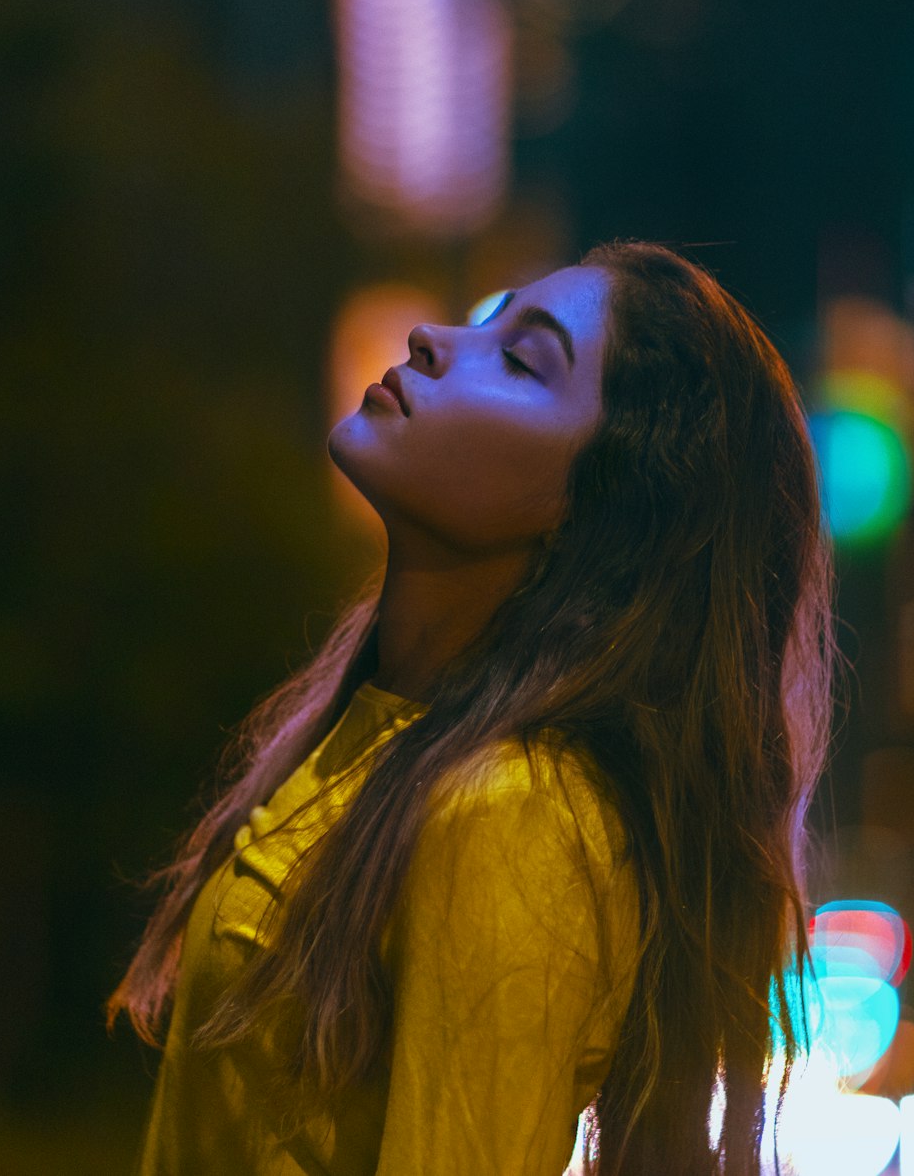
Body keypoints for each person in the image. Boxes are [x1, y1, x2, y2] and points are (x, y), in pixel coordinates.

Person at [107, 238, 837, 1175]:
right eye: (489, 322)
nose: (432, 337)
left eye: (522, 360)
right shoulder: (371, 747)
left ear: (596, 515)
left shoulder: (516, 817)